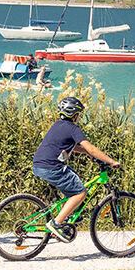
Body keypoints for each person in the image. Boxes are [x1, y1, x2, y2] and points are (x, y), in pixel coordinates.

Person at [32, 96, 120, 241]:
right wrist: (111, 161)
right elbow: (90, 148)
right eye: (79, 114)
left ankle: (69, 215)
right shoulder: (73, 128)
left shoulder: (57, 125)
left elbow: (77, 147)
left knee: (72, 177)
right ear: (74, 115)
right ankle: (56, 223)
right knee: (80, 192)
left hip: (39, 165)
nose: (79, 117)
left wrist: (86, 153)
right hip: (53, 168)